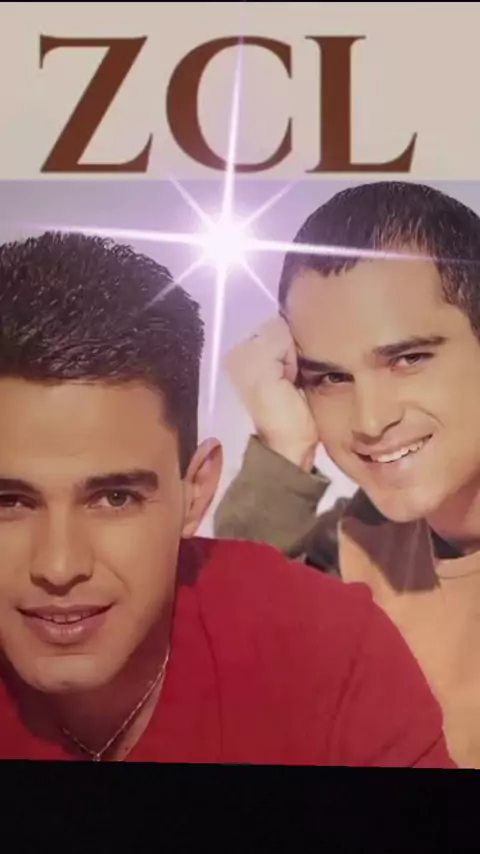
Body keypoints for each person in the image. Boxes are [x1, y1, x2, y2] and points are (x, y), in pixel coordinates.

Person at [0, 230, 454, 767]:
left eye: (115, 498)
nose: (58, 566)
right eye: (9, 502)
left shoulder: (328, 649)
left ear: (196, 493)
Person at [214, 180, 480, 768]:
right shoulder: (348, 547)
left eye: (408, 358)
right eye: (331, 378)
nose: (370, 420)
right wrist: (283, 447)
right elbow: (219, 674)